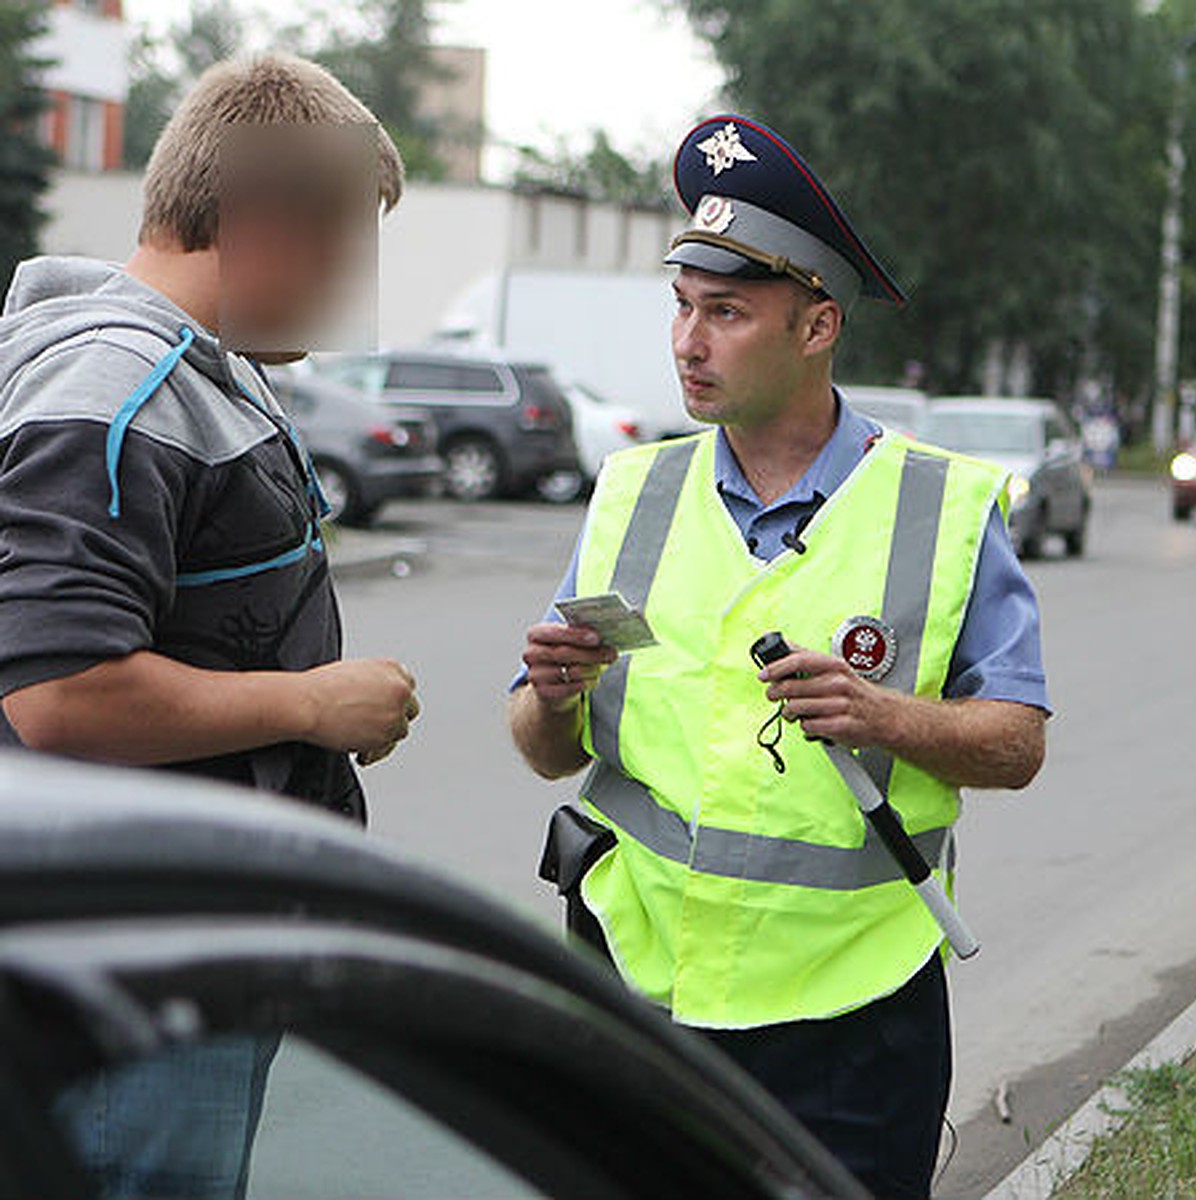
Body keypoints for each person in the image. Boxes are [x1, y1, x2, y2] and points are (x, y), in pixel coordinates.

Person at [510, 114, 1049, 1200]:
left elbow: (1019, 743)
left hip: (850, 1018)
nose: (687, 342)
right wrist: (554, 697)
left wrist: (884, 715)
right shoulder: (633, 492)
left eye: (725, 313)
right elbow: (541, 749)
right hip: (639, 985)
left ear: (816, 327)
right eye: (682, 308)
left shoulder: (939, 507)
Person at [0, 55, 419, 1198]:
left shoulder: (197, 370)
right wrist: (311, 704)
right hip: (135, 969)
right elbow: (58, 693)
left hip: (163, 945)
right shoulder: (117, 383)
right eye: (346, 249)